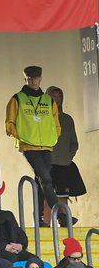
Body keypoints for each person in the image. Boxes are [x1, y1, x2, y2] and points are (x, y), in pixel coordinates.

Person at [5, 66, 61, 222]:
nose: (33, 81)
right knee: (46, 179)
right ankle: (61, 214)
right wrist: (22, 137)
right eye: (30, 78)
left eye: (36, 78)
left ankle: (39, 218)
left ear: (41, 79)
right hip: (29, 146)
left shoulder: (48, 100)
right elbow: (9, 123)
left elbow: (56, 123)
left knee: (41, 181)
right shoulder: (17, 99)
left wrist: (54, 136)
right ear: (25, 79)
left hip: (46, 146)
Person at [47, 86, 86, 219]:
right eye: (53, 96)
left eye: (59, 96)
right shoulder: (43, 118)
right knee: (47, 194)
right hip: (47, 163)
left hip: (64, 163)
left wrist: (69, 156)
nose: (57, 99)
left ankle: (64, 221)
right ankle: (45, 224)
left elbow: (74, 142)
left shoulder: (67, 119)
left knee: (63, 194)